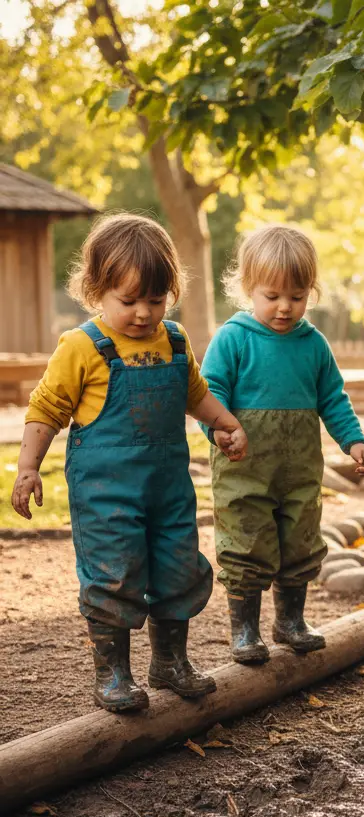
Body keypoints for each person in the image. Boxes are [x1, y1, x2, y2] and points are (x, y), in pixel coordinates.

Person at [10, 213, 247, 713]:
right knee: (113, 574)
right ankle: (114, 672)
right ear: (97, 290)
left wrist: (224, 423)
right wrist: (28, 467)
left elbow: (195, 393)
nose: (143, 313)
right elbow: (47, 408)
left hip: (167, 490)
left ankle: (169, 662)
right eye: (129, 300)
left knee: (177, 569)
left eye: (155, 300)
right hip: (106, 494)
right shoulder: (82, 347)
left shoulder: (175, 341)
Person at [201, 224, 364, 664]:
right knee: (246, 542)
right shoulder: (234, 338)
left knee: (300, 539)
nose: (284, 307)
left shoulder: (313, 344)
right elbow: (209, 391)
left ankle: (290, 621)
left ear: (309, 293)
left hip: (298, 470)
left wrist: (352, 440)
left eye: (296, 297)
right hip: (244, 469)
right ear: (247, 289)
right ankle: (245, 631)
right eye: (272, 295)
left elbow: (332, 397)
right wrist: (219, 428)